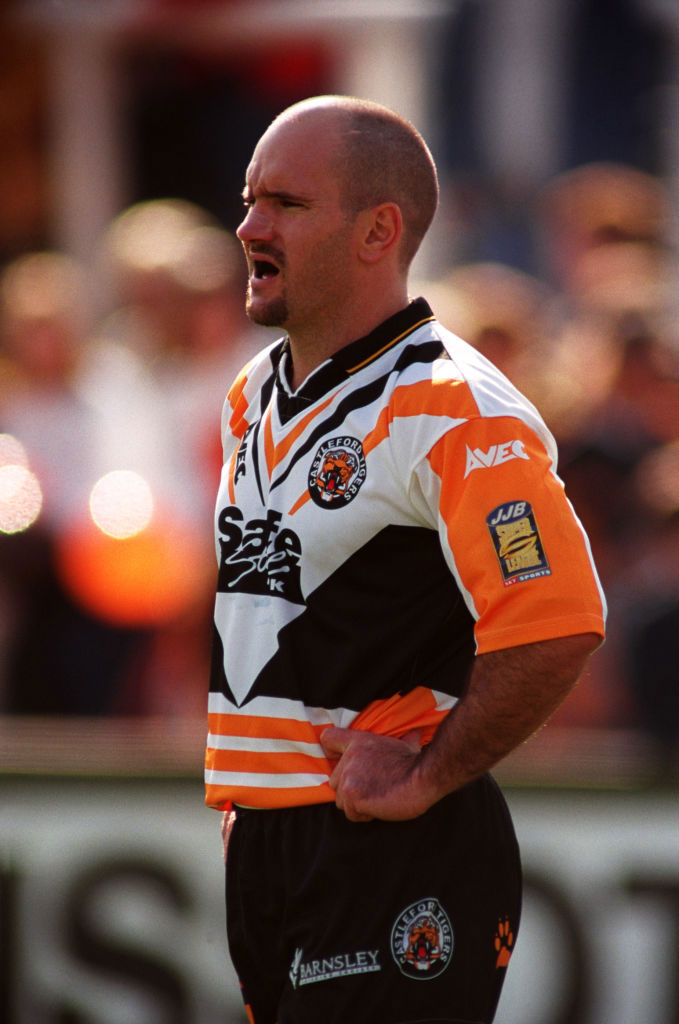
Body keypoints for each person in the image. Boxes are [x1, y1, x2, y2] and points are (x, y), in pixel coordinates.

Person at [204, 95, 606, 1024]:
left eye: (287, 205)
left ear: (378, 230)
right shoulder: (251, 395)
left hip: (394, 857)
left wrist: (427, 775)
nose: (248, 225)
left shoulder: (455, 407)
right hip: (270, 854)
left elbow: (559, 621)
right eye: (249, 197)